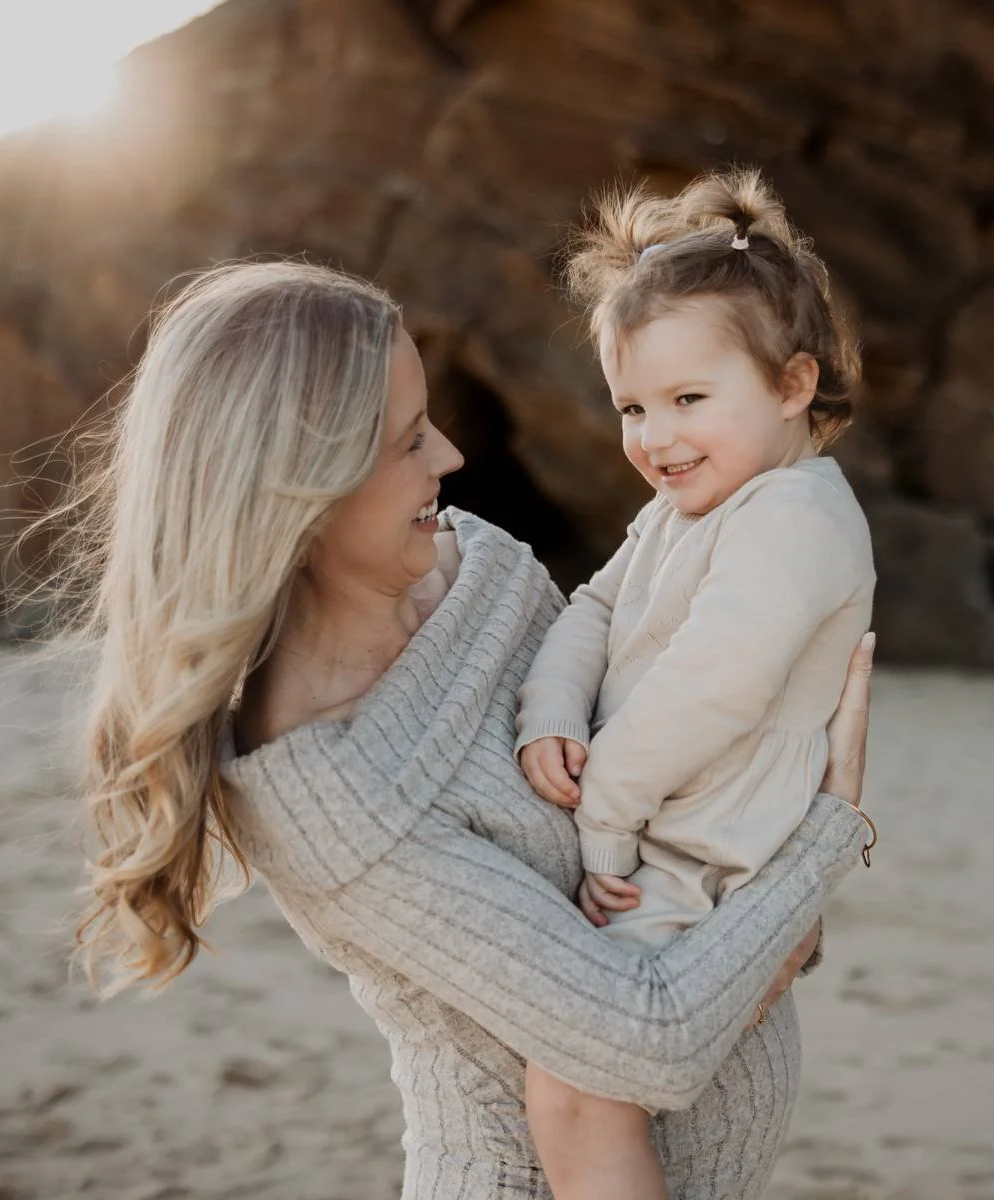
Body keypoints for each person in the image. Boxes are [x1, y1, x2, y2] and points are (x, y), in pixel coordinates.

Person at [65, 258, 877, 1199]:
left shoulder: (477, 560)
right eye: (410, 439)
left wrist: (778, 886)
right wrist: (824, 837)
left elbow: (651, 742)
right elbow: (646, 1040)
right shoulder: (335, 797)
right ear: (300, 488)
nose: (449, 457)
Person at [513, 169, 876, 1199]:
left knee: (576, 1079)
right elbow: (590, 611)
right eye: (632, 406)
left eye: (687, 401)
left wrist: (603, 826)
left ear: (794, 384)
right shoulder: (681, 512)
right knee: (563, 1080)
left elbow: (708, 696)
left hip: (700, 863)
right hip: (655, 832)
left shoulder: (797, 519)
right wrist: (549, 714)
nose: (654, 438)